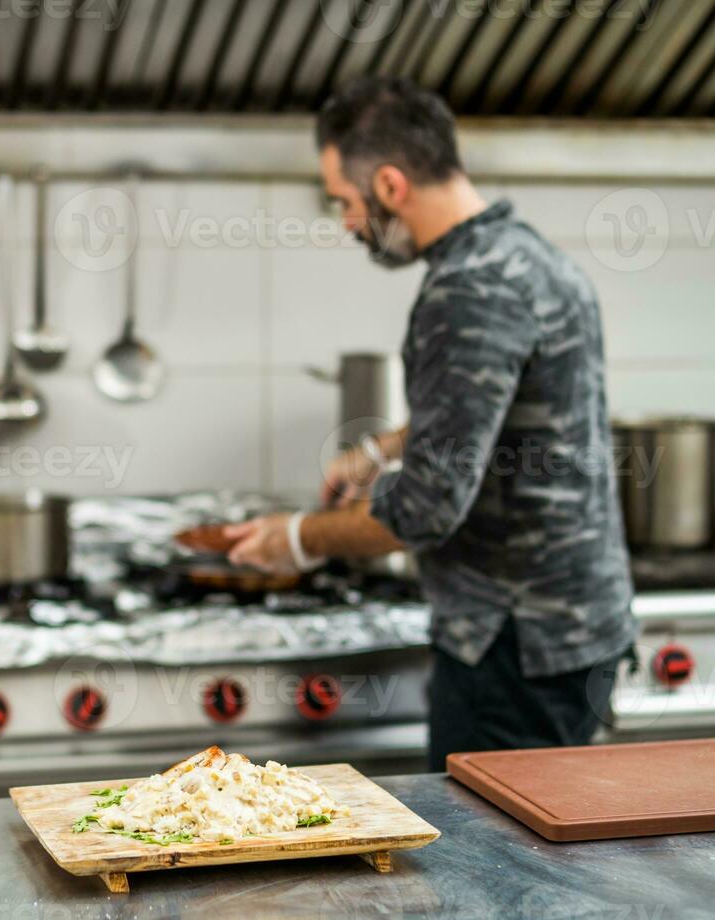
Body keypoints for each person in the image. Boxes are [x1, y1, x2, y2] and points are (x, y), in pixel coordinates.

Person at [223, 78, 637, 771]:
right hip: (570, 630)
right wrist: (381, 448)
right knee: (541, 866)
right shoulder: (526, 255)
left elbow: (426, 509)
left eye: (345, 204)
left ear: (389, 184)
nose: (347, 224)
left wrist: (294, 540)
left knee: (498, 876)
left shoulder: (468, 288)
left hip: (512, 646)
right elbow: (495, 407)